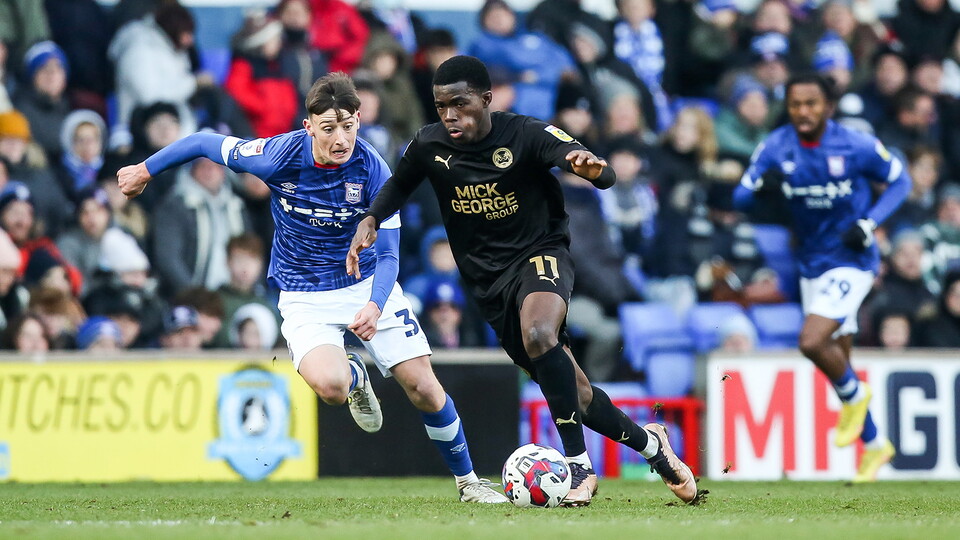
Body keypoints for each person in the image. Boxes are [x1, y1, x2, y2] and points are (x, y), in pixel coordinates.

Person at [116, 72, 507, 504]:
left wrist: (376, 305)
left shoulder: (375, 170)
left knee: (424, 388)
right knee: (331, 388)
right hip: (304, 292)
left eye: (348, 126)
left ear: (359, 119)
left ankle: (469, 483)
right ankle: (355, 375)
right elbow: (204, 142)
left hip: (365, 284)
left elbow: (392, 254)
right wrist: (145, 169)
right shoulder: (276, 155)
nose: (341, 138)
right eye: (328, 128)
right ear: (308, 126)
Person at [348, 55, 697, 506]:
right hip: (488, 284)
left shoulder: (527, 133)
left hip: (540, 254)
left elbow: (604, 173)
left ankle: (578, 466)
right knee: (580, 395)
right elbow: (399, 184)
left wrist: (593, 170)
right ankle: (655, 447)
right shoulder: (430, 145)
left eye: (460, 103)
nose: (450, 115)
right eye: (441, 106)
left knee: (539, 332)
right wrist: (372, 218)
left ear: (487, 99)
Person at [734, 73, 912, 482]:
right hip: (812, 263)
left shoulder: (855, 144)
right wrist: (764, 186)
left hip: (853, 260)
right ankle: (876, 445)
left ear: (828, 107)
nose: (803, 112)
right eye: (796, 104)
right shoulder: (777, 146)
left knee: (812, 341)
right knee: (839, 362)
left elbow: (901, 181)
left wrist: (869, 224)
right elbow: (741, 197)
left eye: (811, 104)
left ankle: (857, 396)